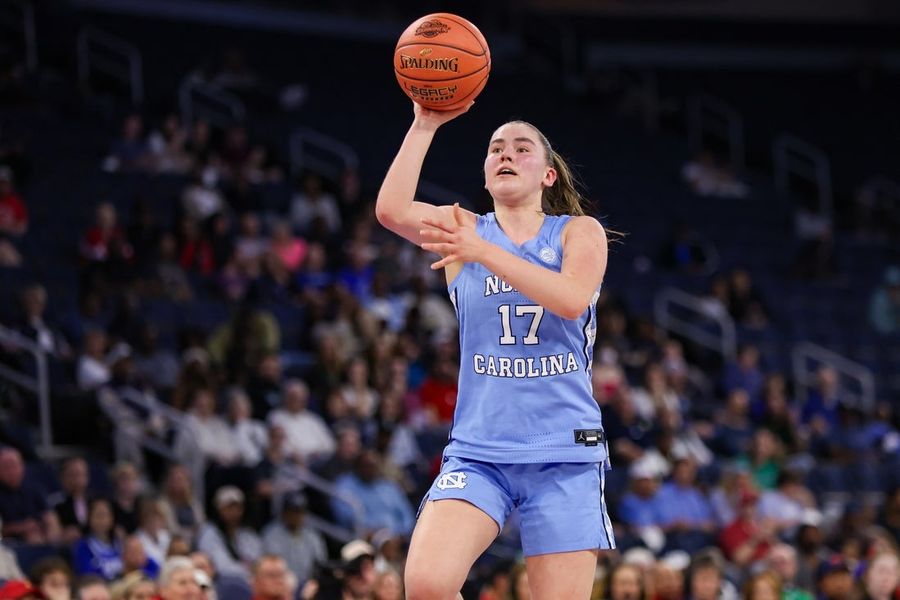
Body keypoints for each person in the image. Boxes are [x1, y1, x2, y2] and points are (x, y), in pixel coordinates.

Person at [375, 101, 613, 599]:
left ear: (548, 174)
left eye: (521, 148)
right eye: (495, 149)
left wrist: (484, 252)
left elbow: (570, 300)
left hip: (564, 450)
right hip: (481, 450)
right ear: (485, 174)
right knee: (426, 584)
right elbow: (391, 210)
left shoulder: (577, 231)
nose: (506, 153)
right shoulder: (468, 230)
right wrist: (425, 123)